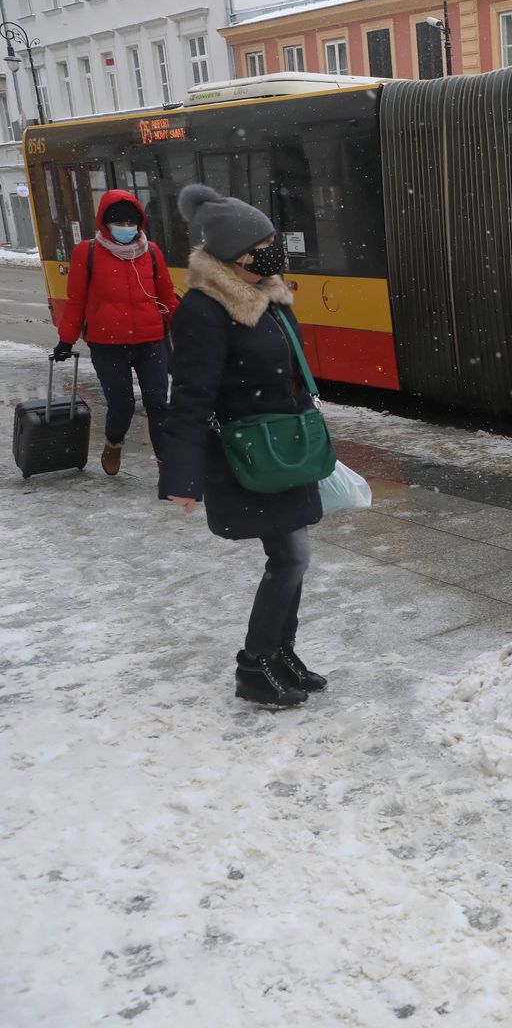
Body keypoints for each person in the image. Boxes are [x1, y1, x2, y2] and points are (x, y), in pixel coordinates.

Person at [159, 184, 326, 708]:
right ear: (237, 255)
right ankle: (255, 665)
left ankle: (279, 653)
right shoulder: (204, 312)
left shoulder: (269, 296)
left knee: (292, 554)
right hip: (251, 451)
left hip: (286, 445)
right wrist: (182, 478)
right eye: (266, 241)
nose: (277, 246)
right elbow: (188, 397)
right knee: (292, 556)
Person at [51, 189, 179, 475]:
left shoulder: (152, 252)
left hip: (150, 341)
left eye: (130, 223)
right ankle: (113, 443)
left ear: (139, 223)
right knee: (121, 405)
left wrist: (188, 329)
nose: (126, 229)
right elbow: (77, 300)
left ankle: (167, 466)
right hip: (107, 342)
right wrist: (65, 339)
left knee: (158, 402)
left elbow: (168, 297)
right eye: (118, 224)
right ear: (105, 224)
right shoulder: (89, 251)